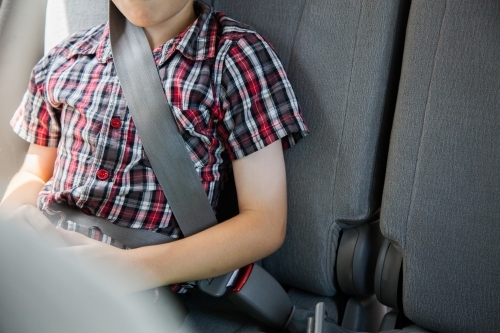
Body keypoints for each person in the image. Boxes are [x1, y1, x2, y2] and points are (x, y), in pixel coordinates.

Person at [0, 0, 308, 294]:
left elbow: (264, 222)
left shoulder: (235, 57)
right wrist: (13, 224)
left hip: (138, 283)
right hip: (40, 256)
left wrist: (130, 269)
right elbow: (35, 171)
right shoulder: (67, 58)